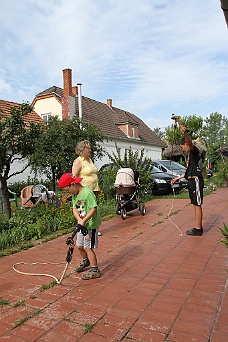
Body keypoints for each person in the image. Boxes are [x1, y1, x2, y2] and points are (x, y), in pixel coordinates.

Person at [58, 173, 101, 279]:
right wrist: (79, 219)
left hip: (90, 226)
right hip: (82, 225)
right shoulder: (75, 195)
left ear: (73, 184)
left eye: (67, 190)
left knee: (88, 247)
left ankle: (95, 270)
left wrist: (84, 220)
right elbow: (74, 208)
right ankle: (86, 261)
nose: (67, 192)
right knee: (80, 246)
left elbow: (93, 208)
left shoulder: (87, 193)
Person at [171, 123, 204, 236]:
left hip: (195, 180)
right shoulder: (190, 157)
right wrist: (176, 178)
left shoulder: (194, 152)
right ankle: (197, 227)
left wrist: (184, 133)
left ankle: (198, 229)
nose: (183, 150)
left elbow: (190, 143)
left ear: (185, 144)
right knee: (195, 204)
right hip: (191, 180)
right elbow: (187, 173)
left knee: (197, 204)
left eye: (182, 147)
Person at [72, 140, 102, 236]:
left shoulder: (89, 160)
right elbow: (73, 177)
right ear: (82, 149)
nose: (90, 150)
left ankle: (94, 227)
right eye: (88, 148)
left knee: (94, 209)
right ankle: (83, 226)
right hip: (83, 191)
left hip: (93, 190)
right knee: (83, 210)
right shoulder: (78, 161)